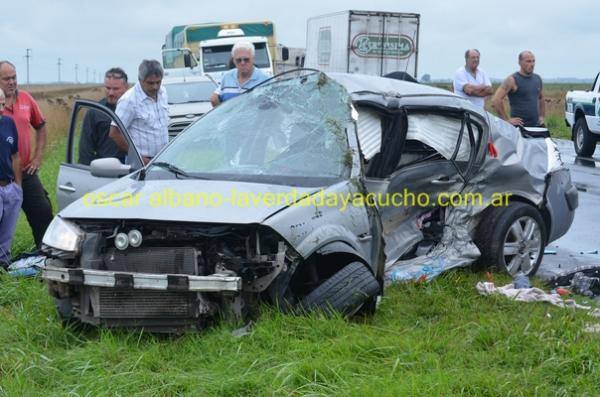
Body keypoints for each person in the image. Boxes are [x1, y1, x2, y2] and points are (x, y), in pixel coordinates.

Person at [0, 60, 53, 248]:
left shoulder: (26, 99)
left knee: (43, 211)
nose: (12, 82)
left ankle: (45, 254)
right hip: (2, 176)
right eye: (7, 79)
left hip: (25, 172)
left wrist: (38, 157)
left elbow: (41, 126)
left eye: (14, 77)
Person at [109, 60, 168, 164]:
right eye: (150, 83)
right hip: (141, 163)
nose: (155, 86)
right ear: (140, 80)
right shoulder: (129, 101)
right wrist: (138, 157)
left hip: (164, 159)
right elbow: (114, 133)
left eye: (158, 82)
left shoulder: (163, 93)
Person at [78, 68, 129, 165]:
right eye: (108, 88)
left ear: (126, 87)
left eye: (115, 89)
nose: (111, 93)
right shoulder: (95, 112)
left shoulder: (135, 109)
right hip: (105, 169)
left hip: (134, 168)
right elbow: (85, 150)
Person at [492, 51, 545, 127]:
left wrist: (542, 116)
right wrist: (506, 120)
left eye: (533, 61)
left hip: (536, 126)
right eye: (528, 61)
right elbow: (496, 100)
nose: (532, 64)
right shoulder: (512, 80)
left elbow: (541, 98)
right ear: (520, 62)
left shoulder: (537, 79)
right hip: (519, 128)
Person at [0, 88, 22, 266]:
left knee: (6, 236)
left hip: (10, 188)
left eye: (2, 104)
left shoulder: (9, 123)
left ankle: (3, 269)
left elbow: (15, 155)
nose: (1, 108)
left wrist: (18, 186)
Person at [210, 41, 269, 106]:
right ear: (233, 60)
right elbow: (214, 99)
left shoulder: (266, 79)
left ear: (253, 59)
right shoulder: (227, 77)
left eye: (246, 59)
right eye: (238, 60)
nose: (242, 63)